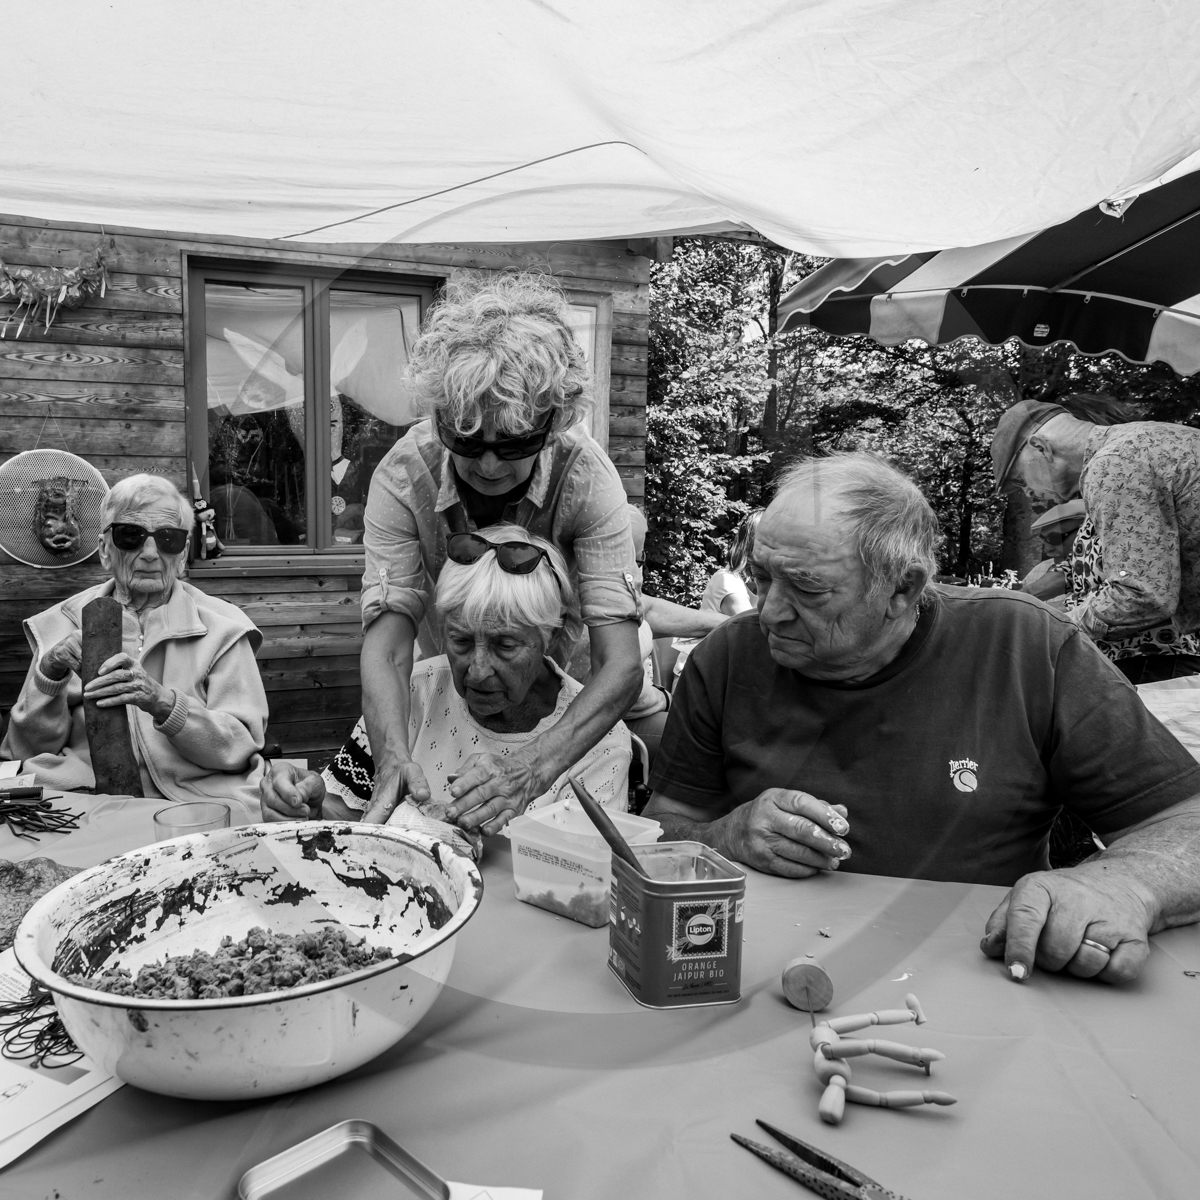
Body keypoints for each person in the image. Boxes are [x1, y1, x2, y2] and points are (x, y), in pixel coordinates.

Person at [642, 451, 1200, 986]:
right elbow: (659, 829)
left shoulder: (1025, 646)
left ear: (902, 588)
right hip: (763, 970)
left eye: (808, 588)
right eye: (762, 577)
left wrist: (1121, 886)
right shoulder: (727, 656)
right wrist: (722, 837)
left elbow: (1184, 824)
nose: (769, 612)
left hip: (978, 975)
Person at [359, 273, 642, 835]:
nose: (488, 466)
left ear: (557, 421)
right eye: (465, 441)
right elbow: (388, 647)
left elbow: (621, 664)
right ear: (438, 416)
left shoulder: (587, 478)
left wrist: (531, 769)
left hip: (570, 720)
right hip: (446, 702)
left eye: (514, 444)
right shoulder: (403, 474)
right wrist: (391, 756)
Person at [261, 526, 631, 849]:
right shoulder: (411, 693)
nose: (478, 671)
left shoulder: (599, 742)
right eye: (461, 641)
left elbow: (589, 881)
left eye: (505, 645)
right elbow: (349, 813)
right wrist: (308, 809)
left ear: (552, 635)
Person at [2, 474, 268, 819]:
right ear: (105, 550)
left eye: (169, 539)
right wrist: (49, 674)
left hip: (196, 800)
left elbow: (239, 747)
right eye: (131, 536)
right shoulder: (61, 624)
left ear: (182, 554)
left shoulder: (224, 628)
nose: (151, 554)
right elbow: (23, 750)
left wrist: (163, 703)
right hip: (81, 802)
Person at [992, 394, 1200, 683]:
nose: (1028, 492)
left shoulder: (1113, 463)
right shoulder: (1143, 440)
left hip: (1157, 658)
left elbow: (1141, 595)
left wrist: (1042, 630)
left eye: (1019, 480)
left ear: (1040, 447)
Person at [619, 507, 727, 761]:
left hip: (633, 712)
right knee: (714, 739)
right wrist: (667, 698)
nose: (637, 573)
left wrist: (737, 623)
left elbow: (650, 609)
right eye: (629, 560)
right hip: (615, 725)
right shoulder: (599, 605)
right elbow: (626, 696)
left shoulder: (619, 595)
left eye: (639, 561)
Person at [672, 508, 763, 682]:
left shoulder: (764, 583)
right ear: (753, 543)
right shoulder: (727, 580)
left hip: (729, 673)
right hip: (696, 677)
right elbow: (753, 630)